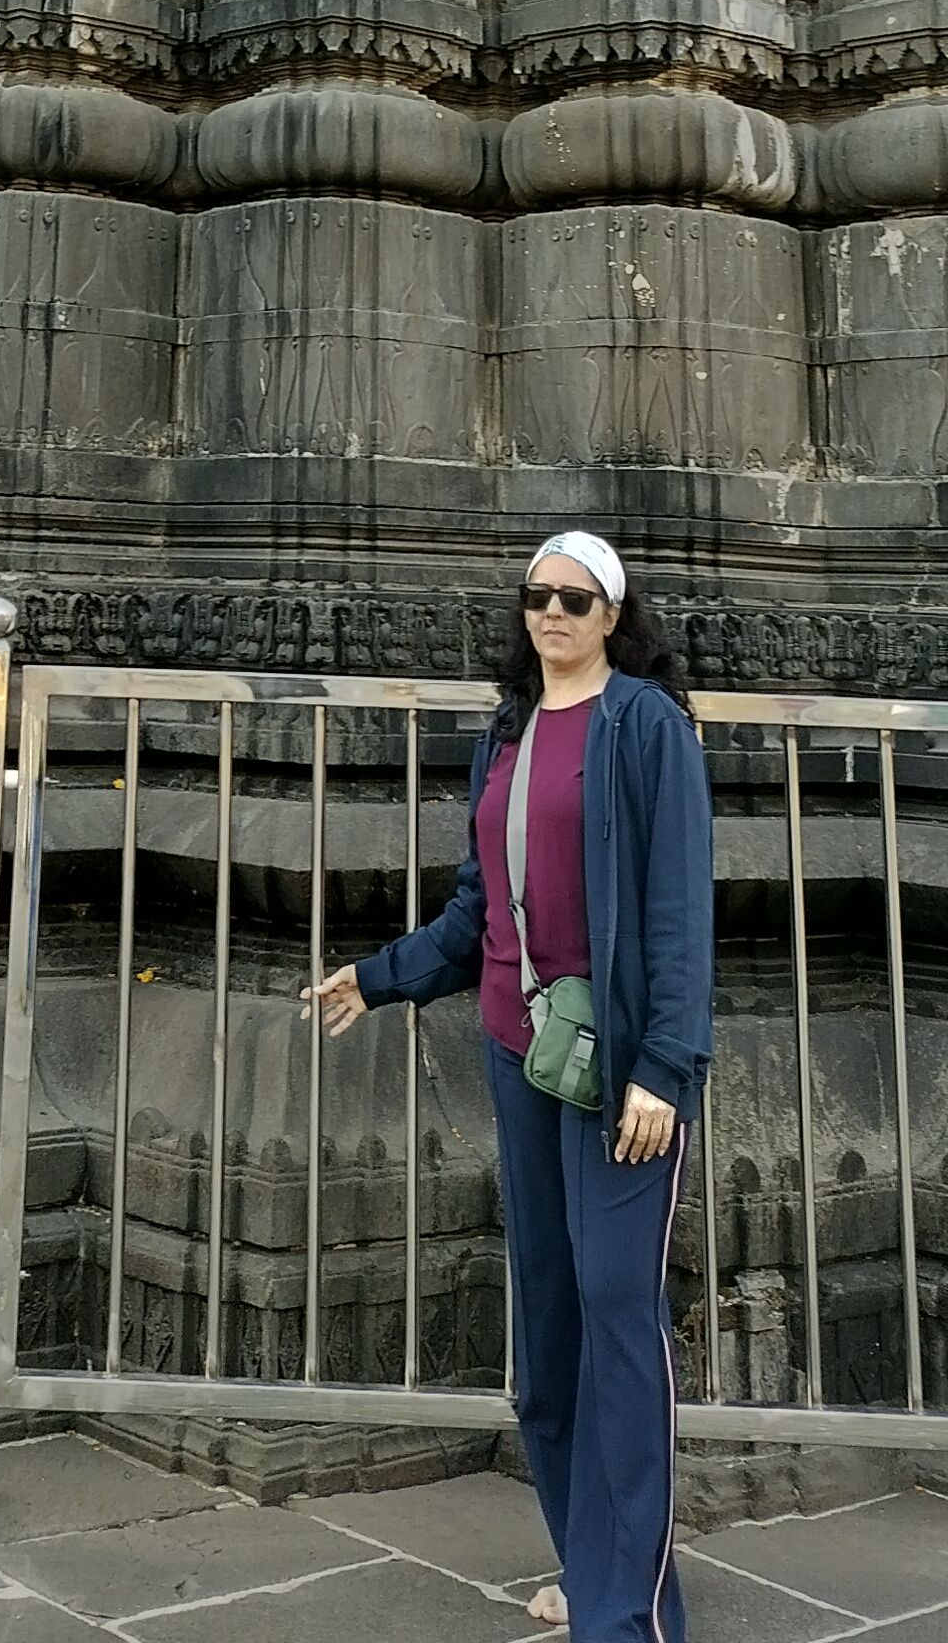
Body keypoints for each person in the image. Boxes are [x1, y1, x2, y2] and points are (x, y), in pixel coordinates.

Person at [304, 532, 713, 1643]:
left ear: (615, 615)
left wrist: (665, 1068)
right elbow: (479, 910)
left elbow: (678, 910)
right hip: (522, 1056)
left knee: (620, 1315)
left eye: (576, 599)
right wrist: (380, 977)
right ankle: (599, 1567)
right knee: (550, 1341)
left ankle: (625, 1616)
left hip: (622, 1075)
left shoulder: (646, 727)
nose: (553, 614)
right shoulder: (508, 730)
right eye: (537, 596)